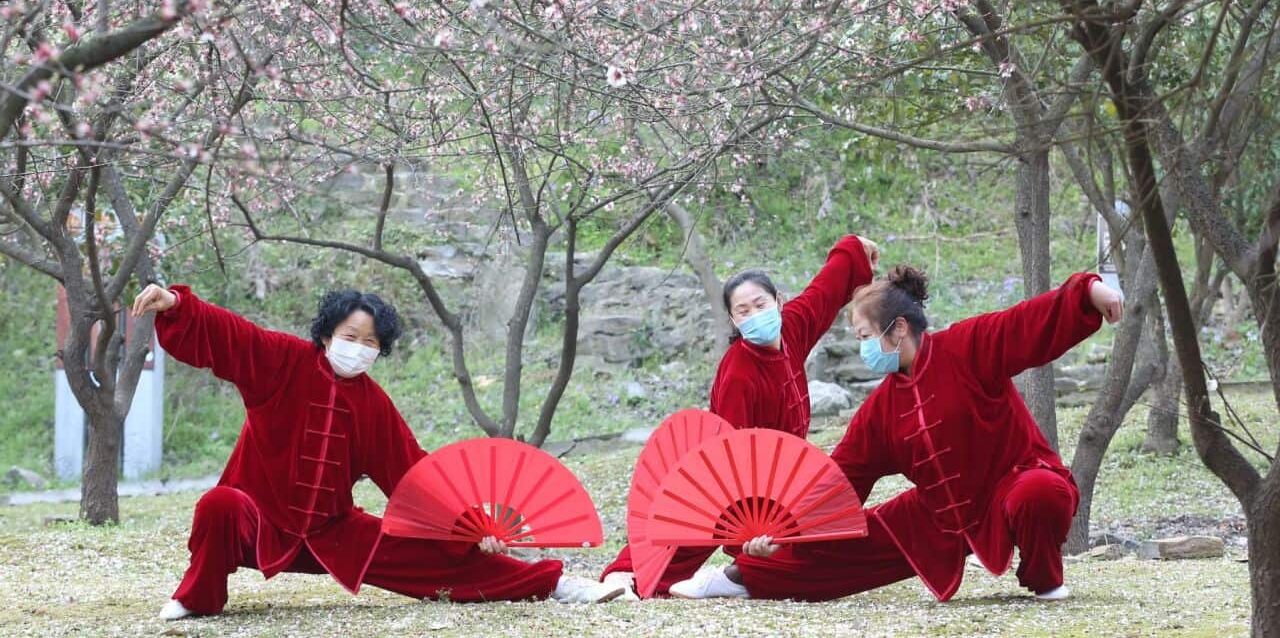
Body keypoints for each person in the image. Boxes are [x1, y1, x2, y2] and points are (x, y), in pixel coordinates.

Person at [132, 283, 622, 620]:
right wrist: (176, 303)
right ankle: (199, 598)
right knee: (218, 504)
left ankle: (553, 584)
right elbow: (231, 337)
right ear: (326, 336)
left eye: (370, 342)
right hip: (257, 522)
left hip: (331, 532)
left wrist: (474, 526)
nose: (359, 348)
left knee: (438, 559)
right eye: (350, 337)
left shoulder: (372, 403)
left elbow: (414, 476)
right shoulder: (281, 360)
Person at [669, 265, 1124, 602]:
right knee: (832, 547)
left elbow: (1027, 322)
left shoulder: (967, 347)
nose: (863, 346)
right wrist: (775, 534)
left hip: (1013, 483)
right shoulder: (882, 409)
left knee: (1040, 492)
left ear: (899, 328)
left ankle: (1045, 581)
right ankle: (738, 579)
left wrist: (1088, 290)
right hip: (938, 517)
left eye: (866, 334)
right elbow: (837, 484)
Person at [600, 235, 880, 599]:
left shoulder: (792, 326)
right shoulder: (739, 372)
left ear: (778, 303)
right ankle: (624, 576)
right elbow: (735, 458)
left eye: (760, 304)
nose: (754, 315)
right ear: (732, 318)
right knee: (688, 529)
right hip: (730, 473)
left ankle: (745, 573)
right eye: (743, 311)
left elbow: (823, 292)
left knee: (811, 538)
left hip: (785, 475)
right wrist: (749, 531)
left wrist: (854, 247)